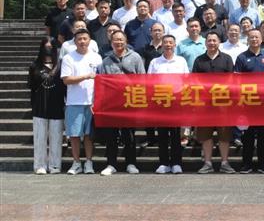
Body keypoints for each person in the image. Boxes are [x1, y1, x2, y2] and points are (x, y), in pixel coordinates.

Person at [99, 30, 145, 176]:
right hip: (112, 103)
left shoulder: (135, 57)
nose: (118, 42)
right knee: (111, 135)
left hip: (130, 101)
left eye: (121, 40)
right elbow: (102, 82)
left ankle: (131, 163)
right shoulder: (106, 61)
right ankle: (111, 164)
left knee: (129, 135)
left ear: (126, 41)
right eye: (116, 40)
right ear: (111, 42)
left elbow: (142, 78)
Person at [193, 31, 236, 174]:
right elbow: (194, 81)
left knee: (224, 135)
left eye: (214, 40)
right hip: (205, 104)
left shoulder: (227, 59)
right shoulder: (199, 60)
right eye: (209, 40)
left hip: (223, 104)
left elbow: (232, 80)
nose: (212, 43)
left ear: (219, 42)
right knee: (206, 136)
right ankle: (207, 163)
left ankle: (225, 163)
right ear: (205, 43)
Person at [61, 29, 103, 175]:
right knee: (74, 135)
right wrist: (85, 76)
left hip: (92, 102)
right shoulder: (68, 58)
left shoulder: (97, 57)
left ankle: (89, 162)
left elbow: (101, 79)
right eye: (79, 39)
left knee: (89, 135)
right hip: (74, 102)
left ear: (90, 40)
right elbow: (66, 79)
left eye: (85, 38)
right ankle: (76, 162)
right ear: (75, 41)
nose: (82, 41)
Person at [235, 29, 264, 173]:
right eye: (251, 37)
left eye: (256, 37)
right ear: (247, 40)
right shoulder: (241, 58)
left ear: (261, 39)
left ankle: (263, 164)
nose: (254, 39)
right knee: (248, 136)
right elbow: (237, 81)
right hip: (248, 103)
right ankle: (247, 164)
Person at [148, 34, 189, 174]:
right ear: (162, 45)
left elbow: (186, 80)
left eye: (171, 42)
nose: (168, 45)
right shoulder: (155, 62)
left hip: (177, 101)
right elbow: (149, 82)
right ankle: (164, 163)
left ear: (175, 45)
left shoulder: (181, 61)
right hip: (160, 101)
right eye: (165, 42)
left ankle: (176, 163)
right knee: (162, 134)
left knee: (176, 134)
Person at [28, 38, 65, 174]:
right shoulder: (34, 66)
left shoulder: (61, 66)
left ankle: (55, 165)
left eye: (51, 47)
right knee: (39, 137)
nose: (48, 50)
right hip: (39, 105)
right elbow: (31, 87)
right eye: (45, 47)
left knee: (56, 137)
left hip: (57, 105)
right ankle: (40, 165)